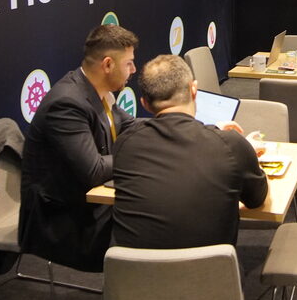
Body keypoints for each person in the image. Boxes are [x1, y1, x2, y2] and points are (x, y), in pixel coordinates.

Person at [111, 55, 268, 249]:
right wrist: (248, 153)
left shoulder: (125, 144)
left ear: (144, 104)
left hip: (132, 267)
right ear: (194, 90)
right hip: (211, 268)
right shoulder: (232, 145)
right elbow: (257, 200)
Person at [19, 24, 138, 271]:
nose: (133, 70)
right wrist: (140, 155)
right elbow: (94, 170)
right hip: (63, 219)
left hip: (86, 203)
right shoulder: (67, 104)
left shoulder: (97, 90)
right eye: (129, 63)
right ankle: (123, 294)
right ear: (108, 65)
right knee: (149, 228)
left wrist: (181, 127)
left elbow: (131, 125)